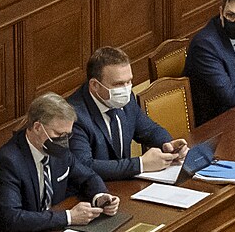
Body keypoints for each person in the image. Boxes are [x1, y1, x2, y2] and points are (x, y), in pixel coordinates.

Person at [0, 93, 117, 232]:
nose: (63, 141)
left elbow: (88, 176)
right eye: (58, 134)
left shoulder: (59, 152)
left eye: (67, 135)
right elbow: (12, 218)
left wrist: (101, 197)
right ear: (37, 127)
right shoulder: (8, 161)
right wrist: (69, 217)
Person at [67, 47, 187, 182]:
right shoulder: (74, 116)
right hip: (93, 189)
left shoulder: (126, 98)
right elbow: (85, 166)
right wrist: (140, 164)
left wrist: (169, 145)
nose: (125, 89)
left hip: (124, 184)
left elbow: (149, 130)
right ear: (95, 85)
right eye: (118, 84)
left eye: (129, 81)